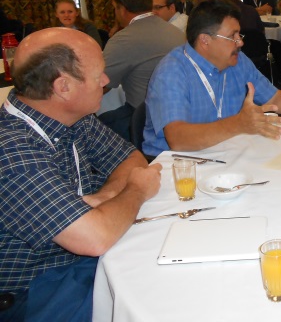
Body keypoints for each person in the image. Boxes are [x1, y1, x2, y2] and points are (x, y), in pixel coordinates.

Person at [0, 28, 161, 322]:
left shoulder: (72, 118)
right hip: (32, 294)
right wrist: (136, 190)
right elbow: (94, 239)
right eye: (98, 73)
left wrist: (104, 197)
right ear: (63, 87)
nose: (106, 80)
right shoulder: (10, 152)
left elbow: (132, 158)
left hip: (76, 265)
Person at [142, 0, 281, 156]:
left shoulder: (237, 60)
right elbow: (178, 139)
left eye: (239, 35)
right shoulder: (172, 72)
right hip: (177, 165)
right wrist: (238, 124)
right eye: (232, 36)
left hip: (225, 152)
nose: (240, 42)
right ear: (205, 41)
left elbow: (274, 99)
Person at [99, 0, 184, 140]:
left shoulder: (123, 40)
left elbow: (101, 86)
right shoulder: (176, 32)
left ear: (122, 9)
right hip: (182, 114)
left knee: (93, 127)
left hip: (146, 120)